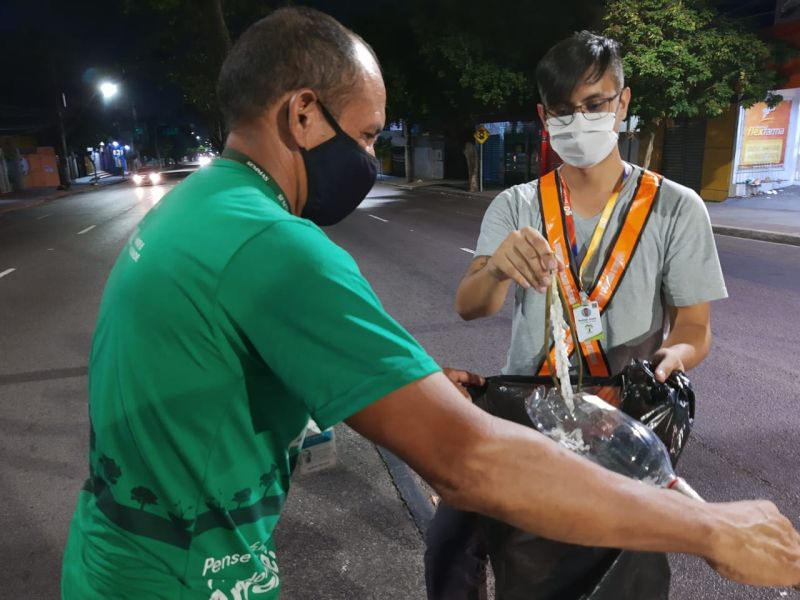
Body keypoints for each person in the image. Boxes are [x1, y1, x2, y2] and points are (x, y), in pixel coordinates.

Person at [61, 10, 800, 599]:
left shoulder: (196, 208)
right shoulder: (276, 247)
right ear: (305, 115)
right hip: (188, 577)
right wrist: (706, 526)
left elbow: (213, 364)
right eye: (370, 133)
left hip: (117, 555)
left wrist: (393, 389)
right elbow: (467, 459)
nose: (372, 157)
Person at [425, 30, 741, 600]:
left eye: (595, 105)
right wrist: (496, 268)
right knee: (454, 544)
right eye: (564, 111)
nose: (581, 120)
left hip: (623, 417)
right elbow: (470, 306)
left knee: (621, 577)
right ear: (544, 117)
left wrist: (673, 358)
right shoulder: (517, 205)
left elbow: (694, 327)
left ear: (622, 102)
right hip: (532, 410)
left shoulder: (675, 208)